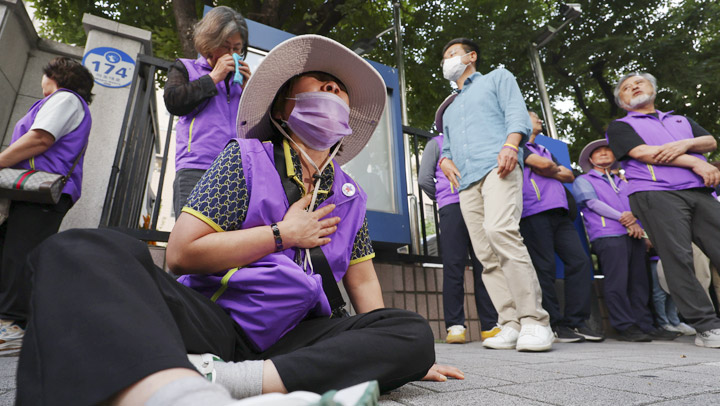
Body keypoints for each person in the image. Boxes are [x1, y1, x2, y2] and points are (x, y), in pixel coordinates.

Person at [16, 35, 460, 406]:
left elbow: (363, 285)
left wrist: (407, 355)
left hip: (298, 333)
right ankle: (207, 387)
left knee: (411, 332)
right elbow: (182, 255)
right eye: (321, 84)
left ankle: (228, 382)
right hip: (216, 320)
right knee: (79, 250)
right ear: (285, 108)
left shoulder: (350, 196)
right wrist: (281, 235)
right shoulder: (246, 159)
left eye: (339, 91)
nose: (334, 93)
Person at [438, 38, 553, 351]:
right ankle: (510, 322)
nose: (447, 60)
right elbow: (445, 148)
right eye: (444, 57)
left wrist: (510, 145)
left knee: (501, 231)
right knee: (485, 254)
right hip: (465, 182)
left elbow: (516, 116)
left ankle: (535, 321)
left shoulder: (498, 78)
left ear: (471, 56)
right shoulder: (449, 109)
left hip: (497, 166)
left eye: (452, 54)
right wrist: (444, 159)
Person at [605, 72, 720, 348]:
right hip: (655, 194)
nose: (633, 87)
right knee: (678, 258)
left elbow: (710, 141)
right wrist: (696, 163)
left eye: (639, 83)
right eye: (626, 88)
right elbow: (643, 153)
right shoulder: (620, 126)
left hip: (700, 192)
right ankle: (706, 326)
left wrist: (685, 144)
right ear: (622, 102)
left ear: (654, 90)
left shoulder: (680, 120)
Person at [0, 56, 93, 351]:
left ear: (56, 75)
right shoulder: (65, 101)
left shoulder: (65, 99)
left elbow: (40, 139)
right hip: (33, 191)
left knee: (19, 253)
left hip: (39, 190)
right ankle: (11, 323)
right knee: (12, 251)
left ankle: (12, 326)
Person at [574, 139, 679, 342]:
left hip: (635, 235)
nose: (604, 153)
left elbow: (639, 207)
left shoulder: (625, 182)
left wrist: (637, 222)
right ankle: (624, 326)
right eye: (598, 152)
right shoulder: (584, 180)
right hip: (608, 235)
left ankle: (645, 325)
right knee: (618, 282)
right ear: (590, 158)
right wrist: (625, 217)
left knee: (640, 283)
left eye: (608, 150)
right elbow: (592, 203)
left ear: (615, 157)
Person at [417, 93, 499, 344]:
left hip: (479, 206)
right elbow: (423, 179)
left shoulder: (479, 142)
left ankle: (491, 326)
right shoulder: (436, 143)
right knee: (454, 266)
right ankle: (455, 326)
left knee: (484, 263)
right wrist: (443, 196)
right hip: (452, 207)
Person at [519, 112, 601, 343]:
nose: (539, 120)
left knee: (581, 262)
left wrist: (548, 168)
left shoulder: (546, 150)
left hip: (561, 214)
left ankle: (577, 322)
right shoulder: (516, 145)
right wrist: (549, 168)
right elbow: (548, 167)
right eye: (533, 117)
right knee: (543, 268)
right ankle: (555, 324)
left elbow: (569, 175)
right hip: (532, 212)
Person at [164, 6, 251, 217]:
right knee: (191, 237)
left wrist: (251, 91)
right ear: (209, 43)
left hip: (236, 173)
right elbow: (174, 102)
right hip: (197, 167)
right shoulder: (186, 68)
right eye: (225, 46)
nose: (232, 54)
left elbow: (262, 125)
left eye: (237, 48)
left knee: (228, 242)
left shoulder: (243, 83)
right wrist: (214, 78)